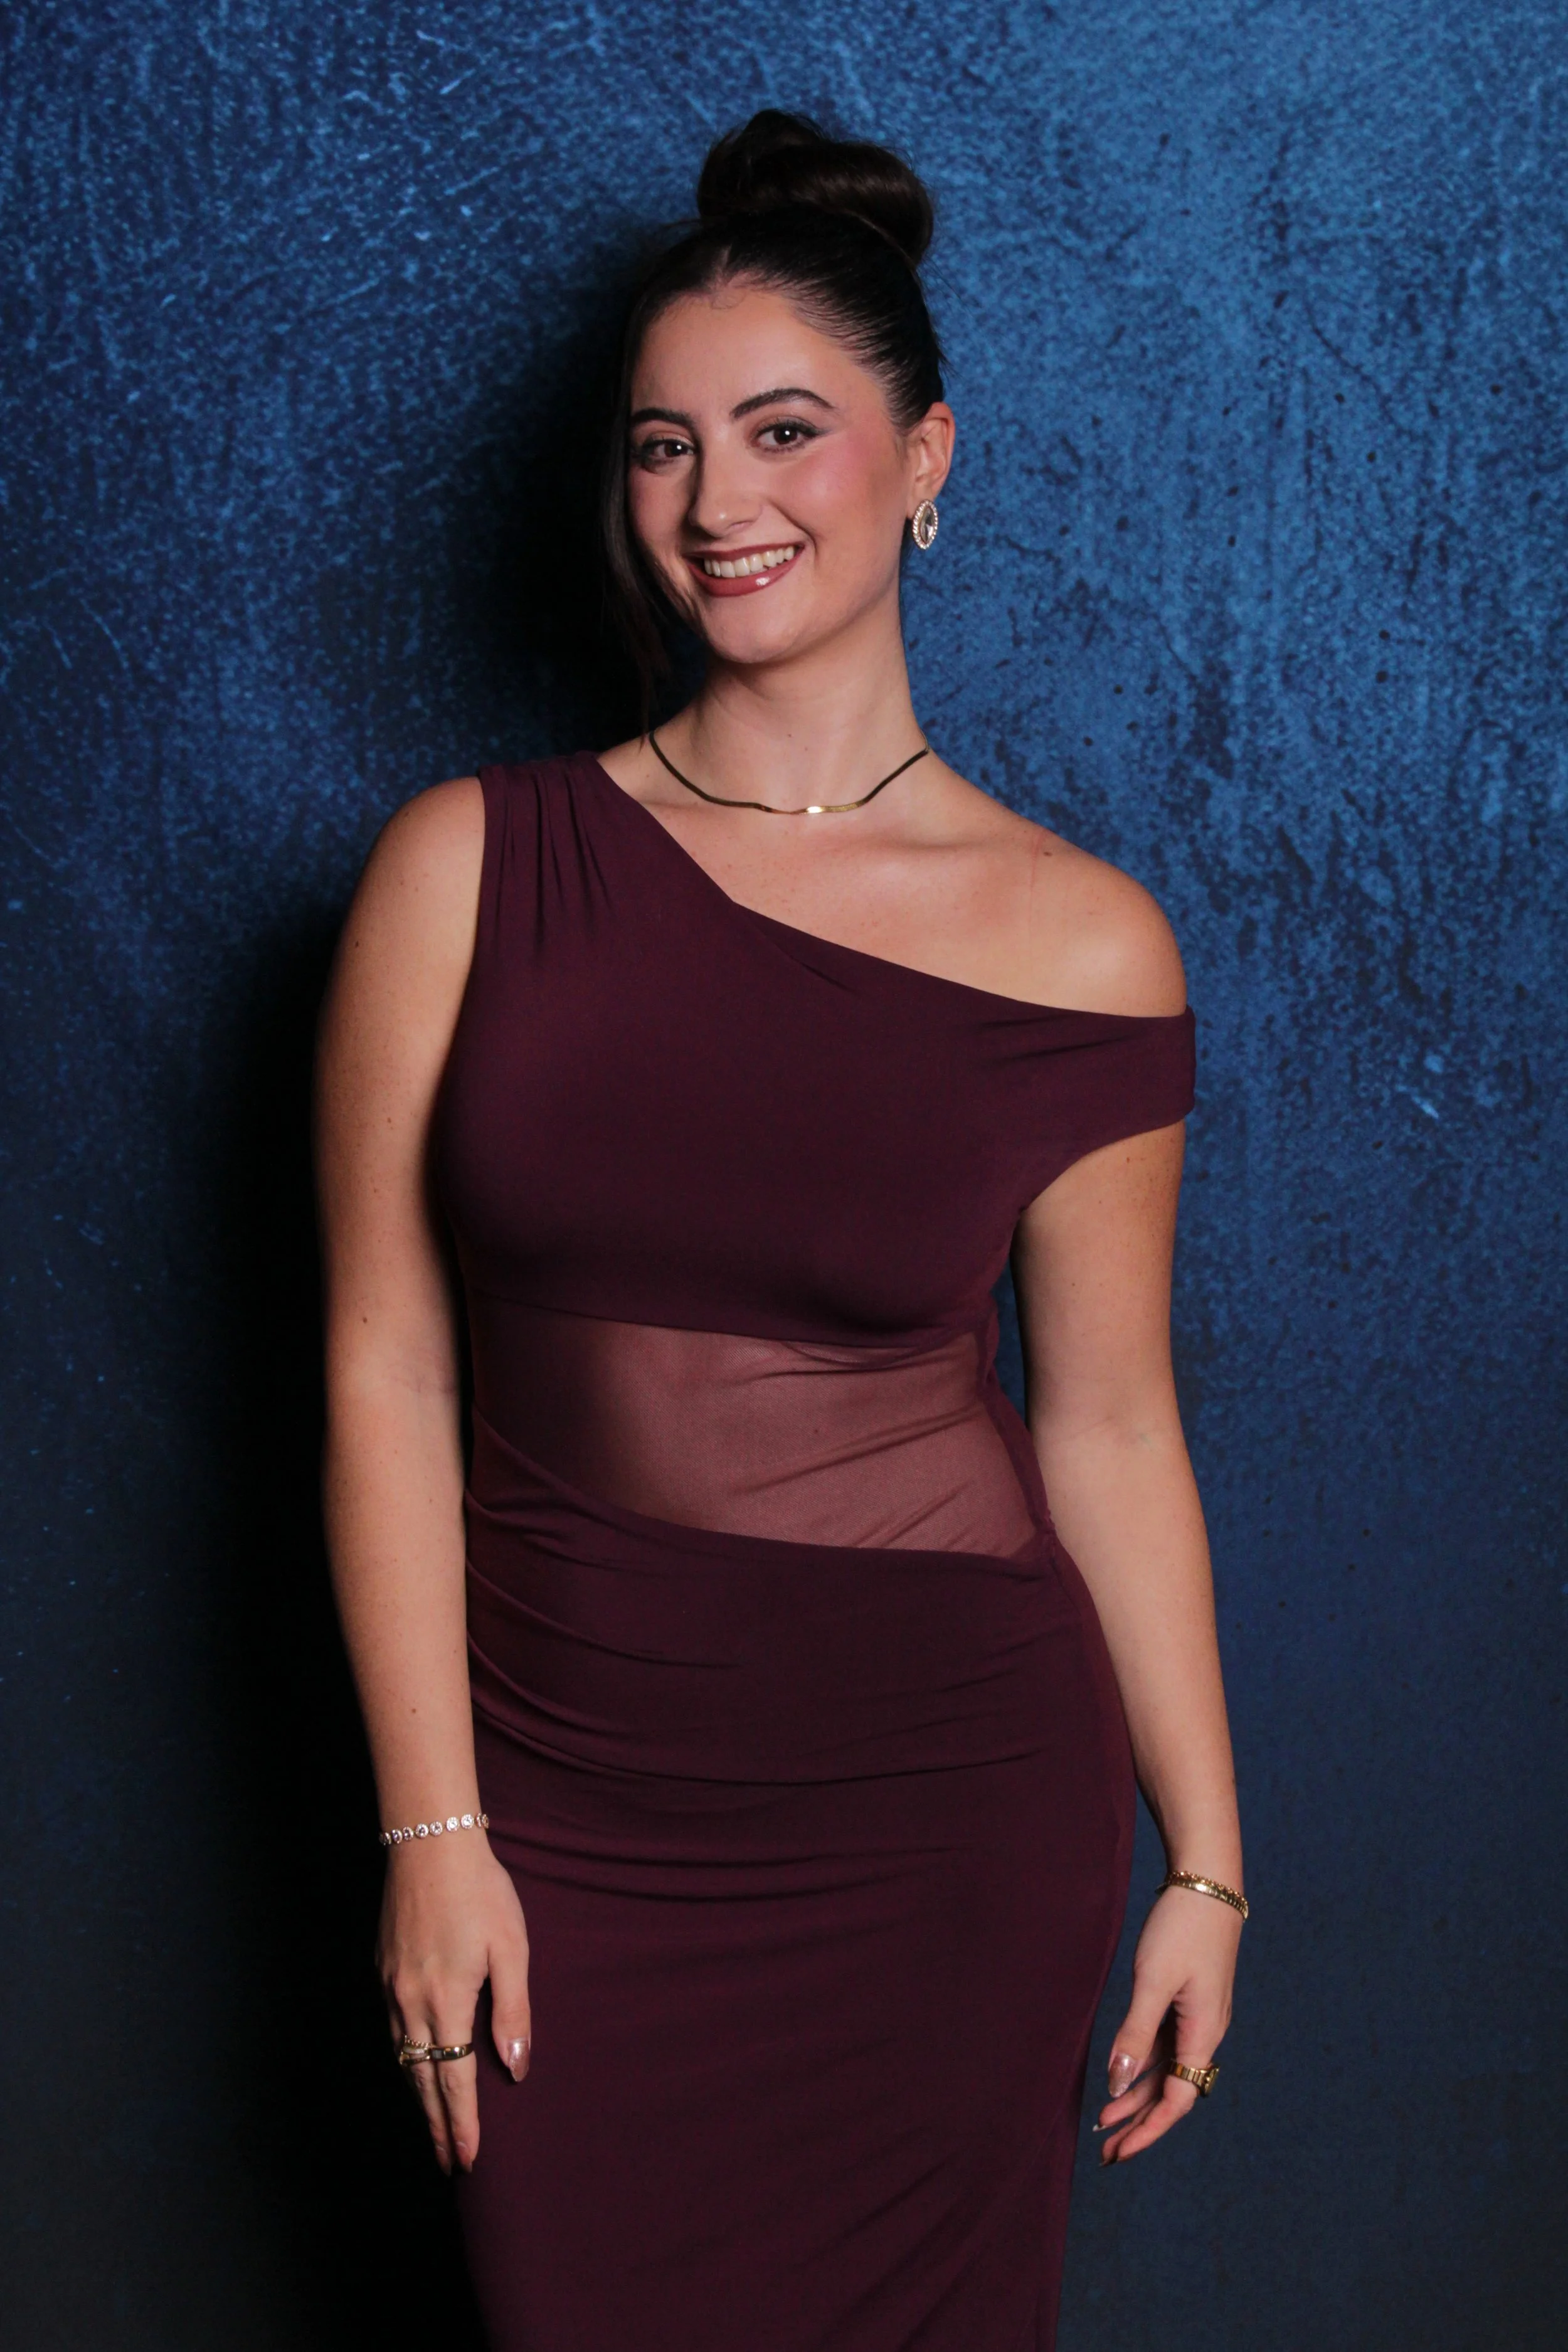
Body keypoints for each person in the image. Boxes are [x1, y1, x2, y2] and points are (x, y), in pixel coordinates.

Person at [315, 109, 1245, 2352]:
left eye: (783, 432)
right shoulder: (466, 866)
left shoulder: (1082, 941)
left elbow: (1108, 1428)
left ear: (924, 457)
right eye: (662, 449)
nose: (718, 504)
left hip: (943, 1809)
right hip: (562, 1794)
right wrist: (430, 1832)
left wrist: (1205, 1854)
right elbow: (380, 1362)